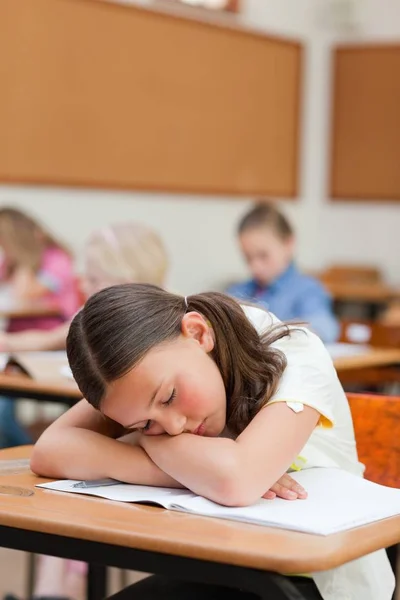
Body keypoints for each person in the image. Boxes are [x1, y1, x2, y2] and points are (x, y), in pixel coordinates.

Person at [31, 285, 394, 600]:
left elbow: (236, 481)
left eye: (170, 397)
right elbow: (50, 450)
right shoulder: (146, 376)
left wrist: (143, 440)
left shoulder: (293, 351)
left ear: (198, 334)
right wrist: (181, 468)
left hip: (319, 580)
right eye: (145, 423)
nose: (173, 427)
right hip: (224, 564)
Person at [1, 223, 169, 600]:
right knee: (61, 484)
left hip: (139, 458)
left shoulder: (155, 329)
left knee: (73, 493)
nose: (84, 284)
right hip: (111, 457)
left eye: (92, 278)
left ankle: (60, 591)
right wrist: (9, 341)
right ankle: (54, 591)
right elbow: (52, 335)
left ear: (122, 282)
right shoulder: (95, 317)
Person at [226, 203, 339, 344]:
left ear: (288, 244)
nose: (255, 266)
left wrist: (285, 332)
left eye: (263, 255)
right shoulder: (238, 292)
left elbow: (324, 327)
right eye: (248, 258)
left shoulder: (308, 290)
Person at [0, 207, 79, 331]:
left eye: (5, 243)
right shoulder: (9, 261)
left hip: (50, 331)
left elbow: (24, 294)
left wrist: (23, 258)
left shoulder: (57, 259)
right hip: (16, 332)